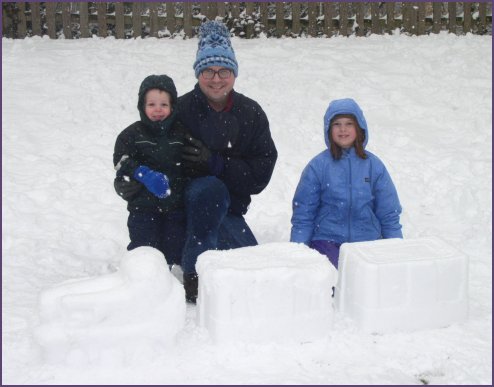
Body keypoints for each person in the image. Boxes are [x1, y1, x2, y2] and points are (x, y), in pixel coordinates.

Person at [115, 21, 278, 303]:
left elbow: (260, 174)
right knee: (201, 196)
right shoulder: (180, 110)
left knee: (252, 263)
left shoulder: (250, 113)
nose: (216, 79)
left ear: (234, 73)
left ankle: (202, 254)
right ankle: (189, 269)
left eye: (224, 71)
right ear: (198, 73)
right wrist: (129, 183)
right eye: (208, 71)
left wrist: (217, 164)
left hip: (227, 211)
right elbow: (144, 150)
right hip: (177, 210)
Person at [290, 98, 402, 269]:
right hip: (327, 240)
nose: (343, 129)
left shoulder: (373, 166)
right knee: (336, 278)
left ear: (359, 128)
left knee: (370, 279)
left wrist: (396, 249)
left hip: (368, 241)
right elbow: (304, 214)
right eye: (337, 124)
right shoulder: (318, 166)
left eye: (349, 123)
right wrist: (298, 251)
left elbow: (388, 213)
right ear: (329, 129)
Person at [113, 74, 188, 268]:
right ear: (142, 106)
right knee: (144, 249)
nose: (158, 110)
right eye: (151, 104)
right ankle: (141, 278)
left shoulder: (182, 134)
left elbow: (191, 164)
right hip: (142, 207)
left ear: (172, 107)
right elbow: (121, 161)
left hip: (174, 206)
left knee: (175, 247)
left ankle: (176, 281)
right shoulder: (131, 135)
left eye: (164, 104)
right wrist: (143, 174)